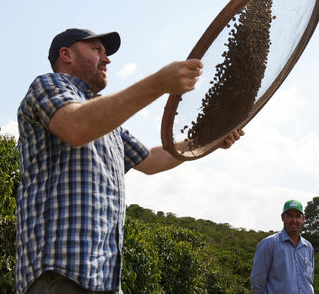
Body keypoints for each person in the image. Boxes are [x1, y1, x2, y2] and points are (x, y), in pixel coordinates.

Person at [15, 28, 244, 294]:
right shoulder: (48, 86)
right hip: (59, 276)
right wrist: (159, 83)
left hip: (104, 280)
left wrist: (209, 138)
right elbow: (75, 127)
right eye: (96, 50)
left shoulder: (109, 124)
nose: (107, 59)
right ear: (66, 55)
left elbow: (152, 160)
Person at [250, 199, 314, 294]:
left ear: (303, 219)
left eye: (297, 216)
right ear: (282, 217)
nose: (294, 220)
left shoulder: (308, 247)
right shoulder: (269, 244)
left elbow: (309, 280)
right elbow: (257, 282)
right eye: (289, 216)